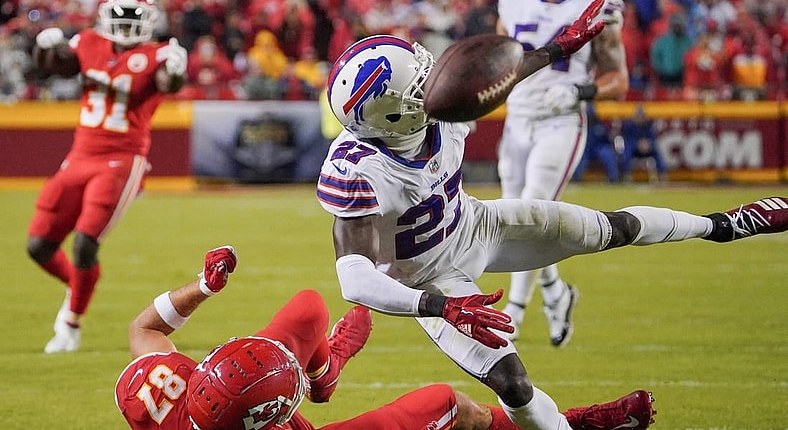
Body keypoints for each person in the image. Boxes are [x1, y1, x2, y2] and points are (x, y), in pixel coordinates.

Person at [318, 1, 788, 430]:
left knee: (612, 227)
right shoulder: (358, 169)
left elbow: (502, 74)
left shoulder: (441, 111)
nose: (436, 83)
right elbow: (354, 279)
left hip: (478, 226)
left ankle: (723, 225)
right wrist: (439, 305)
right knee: (515, 385)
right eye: (421, 86)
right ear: (393, 116)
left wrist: (561, 46)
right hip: (429, 280)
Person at [116, 245, 658, 430]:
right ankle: (569, 424)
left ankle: (324, 375)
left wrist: (204, 288)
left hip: (238, 407)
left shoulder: (162, 393)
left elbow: (146, 328)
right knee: (448, 404)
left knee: (307, 308)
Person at [27, 0, 188, 354]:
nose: (127, 26)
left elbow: (167, 83)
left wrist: (176, 71)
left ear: (147, 22)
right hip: (79, 155)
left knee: (85, 243)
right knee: (39, 245)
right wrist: (42, 45)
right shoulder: (88, 42)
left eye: (134, 19)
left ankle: (70, 323)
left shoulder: (157, 54)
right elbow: (53, 65)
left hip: (122, 159)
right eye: (122, 18)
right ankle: (78, 285)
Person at [495, 0, 629, 345]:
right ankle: (555, 290)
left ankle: (515, 312)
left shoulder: (598, 5)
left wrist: (579, 92)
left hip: (561, 121)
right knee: (515, 218)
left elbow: (618, 79)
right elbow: (498, 63)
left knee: (530, 207)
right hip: (517, 119)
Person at [619, 104, 667, 183]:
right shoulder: (629, 125)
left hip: (647, 148)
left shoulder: (649, 125)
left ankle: (662, 175)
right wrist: (638, 144)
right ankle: (626, 176)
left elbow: (653, 138)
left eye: (642, 115)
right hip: (634, 148)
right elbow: (627, 140)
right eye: (638, 115)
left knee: (656, 151)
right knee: (627, 151)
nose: (640, 117)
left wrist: (648, 144)